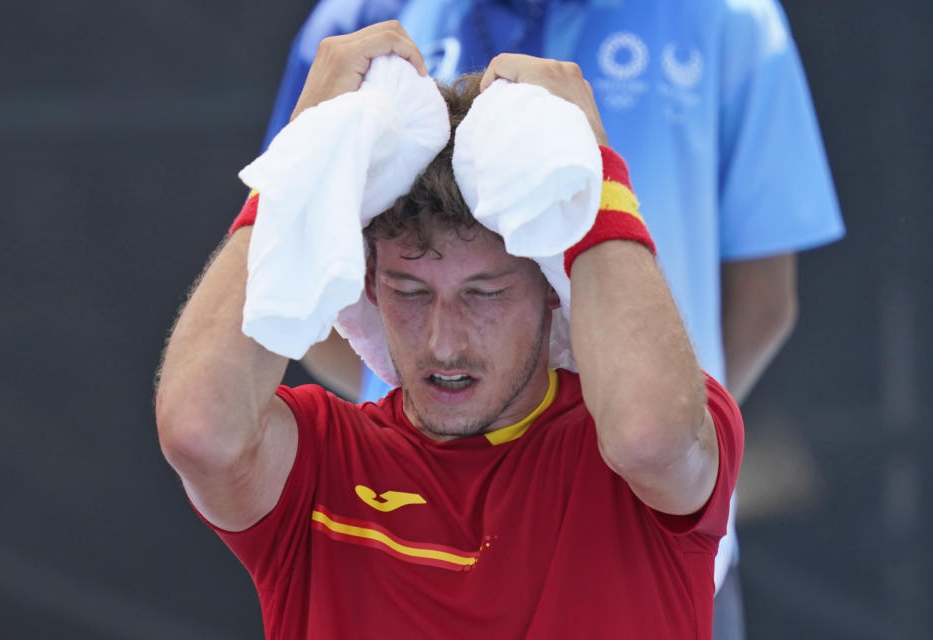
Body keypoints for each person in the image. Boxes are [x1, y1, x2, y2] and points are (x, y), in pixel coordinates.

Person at [261, 2, 846, 637]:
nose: (446, 334)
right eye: (408, 292)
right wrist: (435, 418)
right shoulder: (353, 21)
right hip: (408, 529)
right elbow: (300, 277)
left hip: (645, 508)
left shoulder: (732, 18)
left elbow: (762, 300)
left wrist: (666, 447)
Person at [156, 22, 743, 639]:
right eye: (408, 293)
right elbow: (200, 433)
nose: (443, 342)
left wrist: (592, 171)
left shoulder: (642, 448)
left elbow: (649, 436)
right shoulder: (325, 458)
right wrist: (302, 159)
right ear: (368, 283)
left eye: (483, 294)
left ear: (552, 288)